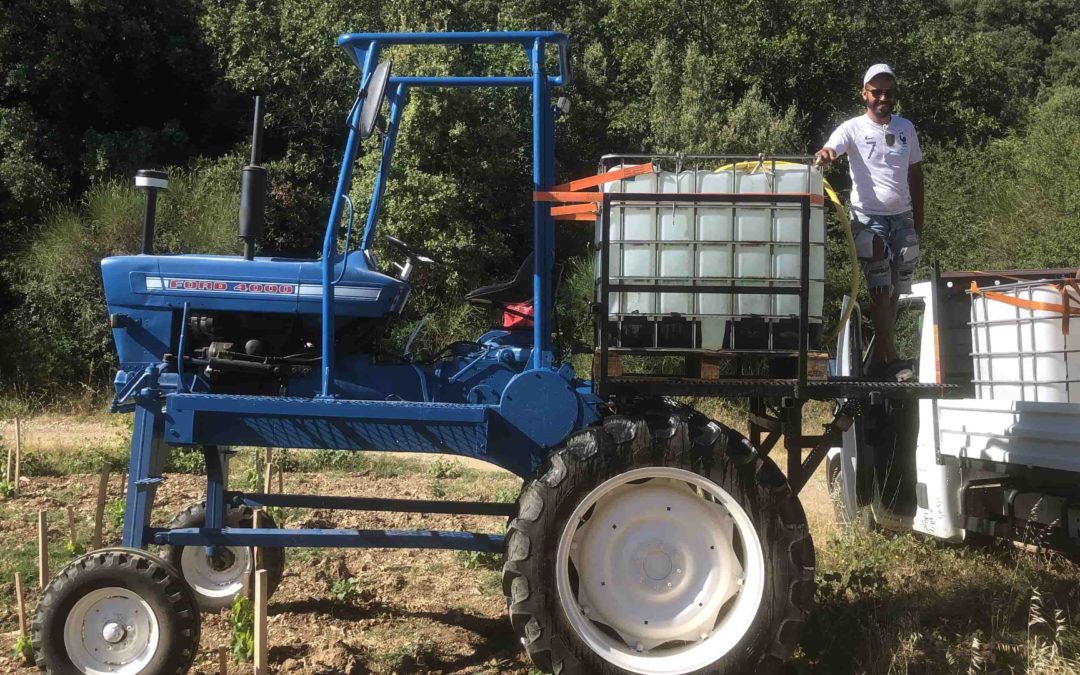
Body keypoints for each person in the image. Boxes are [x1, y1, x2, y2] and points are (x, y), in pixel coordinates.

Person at [815, 63, 924, 381]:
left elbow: (916, 175)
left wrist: (919, 221)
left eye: (888, 93)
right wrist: (825, 155)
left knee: (895, 290)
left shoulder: (905, 128)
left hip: (901, 217)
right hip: (868, 218)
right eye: (876, 92)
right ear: (865, 94)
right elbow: (831, 148)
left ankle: (878, 360)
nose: (882, 98)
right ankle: (892, 359)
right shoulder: (853, 128)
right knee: (879, 285)